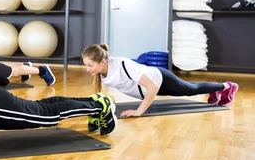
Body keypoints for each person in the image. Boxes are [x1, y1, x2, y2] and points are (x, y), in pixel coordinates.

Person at [81, 44, 239, 120]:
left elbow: (152, 87)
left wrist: (138, 111)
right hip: (151, 88)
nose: (87, 69)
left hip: (160, 80)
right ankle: (213, 89)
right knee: (191, 89)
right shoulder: (101, 72)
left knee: (190, 89)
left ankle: (227, 86)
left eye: (90, 65)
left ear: (102, 61)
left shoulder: (123, 64)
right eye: (86, 65)